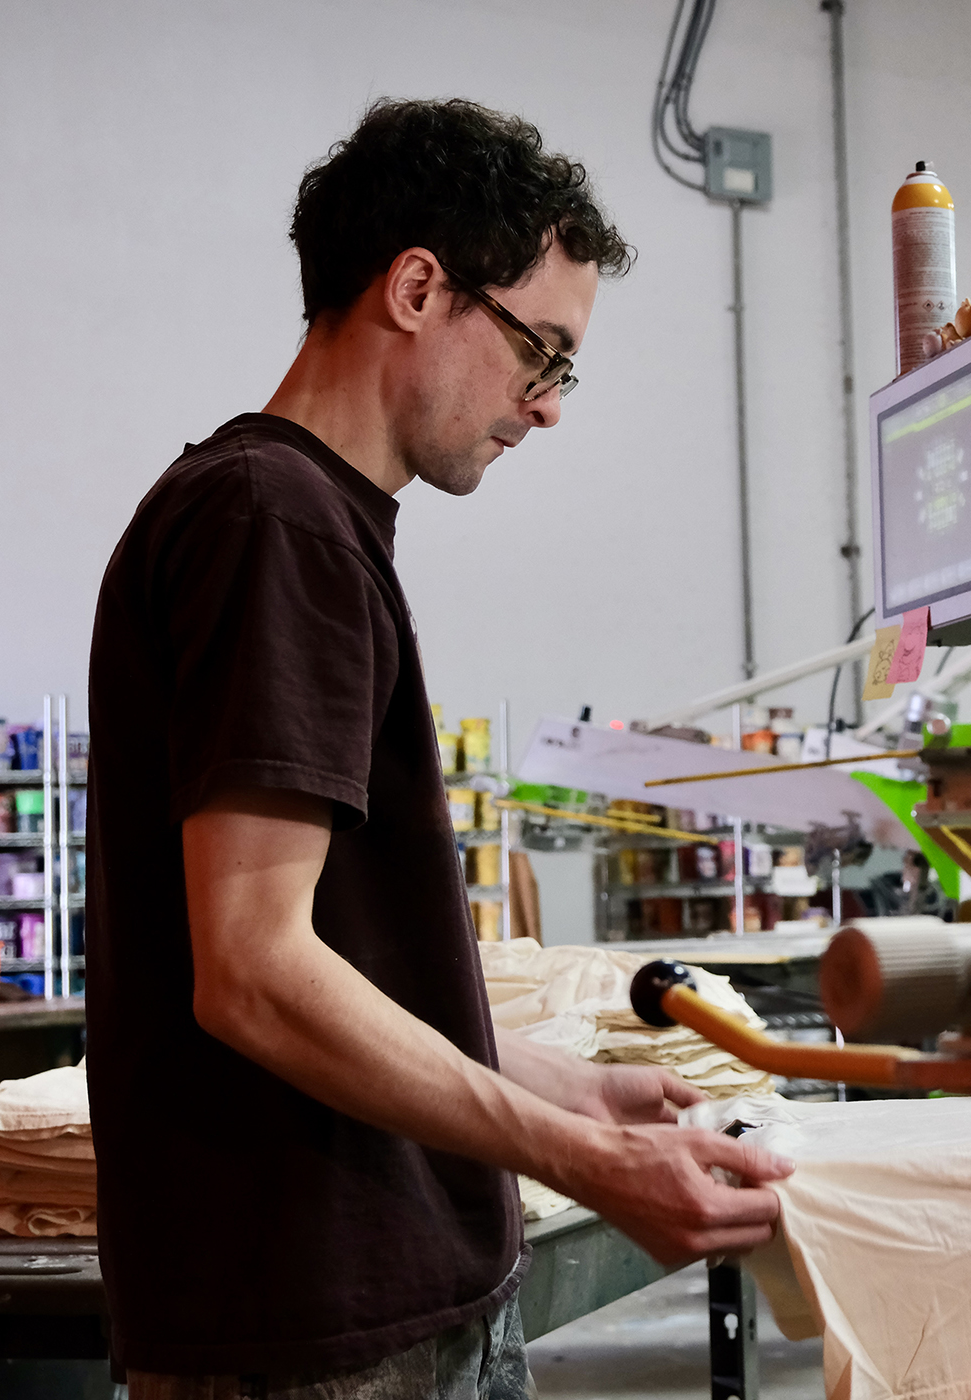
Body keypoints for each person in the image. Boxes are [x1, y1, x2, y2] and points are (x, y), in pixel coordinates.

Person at [85, 98, 792, 1399]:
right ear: (419, 287)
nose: (549, 406)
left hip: (355, 1312)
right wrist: (583, 1163)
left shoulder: (298, 519)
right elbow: (253, 976)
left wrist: (575, 1088)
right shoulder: (274, 520)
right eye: (544, 353)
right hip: (323, 1334)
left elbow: (343, 970)